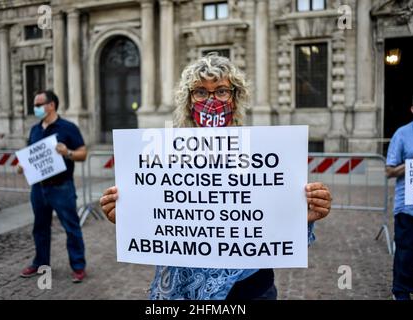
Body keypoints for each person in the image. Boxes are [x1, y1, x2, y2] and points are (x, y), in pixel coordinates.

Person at [99, 54, 332, 299]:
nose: (211, 101)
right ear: (188, 101)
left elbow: (276, 225)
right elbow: (155, 217)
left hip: (250, 288)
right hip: (182, 290)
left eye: (221, 91)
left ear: (234, 98)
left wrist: (303, 215)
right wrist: (128, 216)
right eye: (200, 92)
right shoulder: (165, 155)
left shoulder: (261, 152)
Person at [18, 90, 88, 283]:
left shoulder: (68, 128)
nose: (36, 108)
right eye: (35, 105)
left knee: (71, 227)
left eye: (39, 104)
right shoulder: (34, 130)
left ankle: (78, 266)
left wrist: (68, 152)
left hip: (62, 187)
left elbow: (83, 153)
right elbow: (30, 155)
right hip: (39, 189)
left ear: (51, 105)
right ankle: (41, 263)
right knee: (40, 228)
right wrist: (22, 165)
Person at [385, 90, 413, 300]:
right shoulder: (402, 134)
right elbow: (389, 171)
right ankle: (401, 292)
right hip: (409, 207)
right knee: (407, 253)